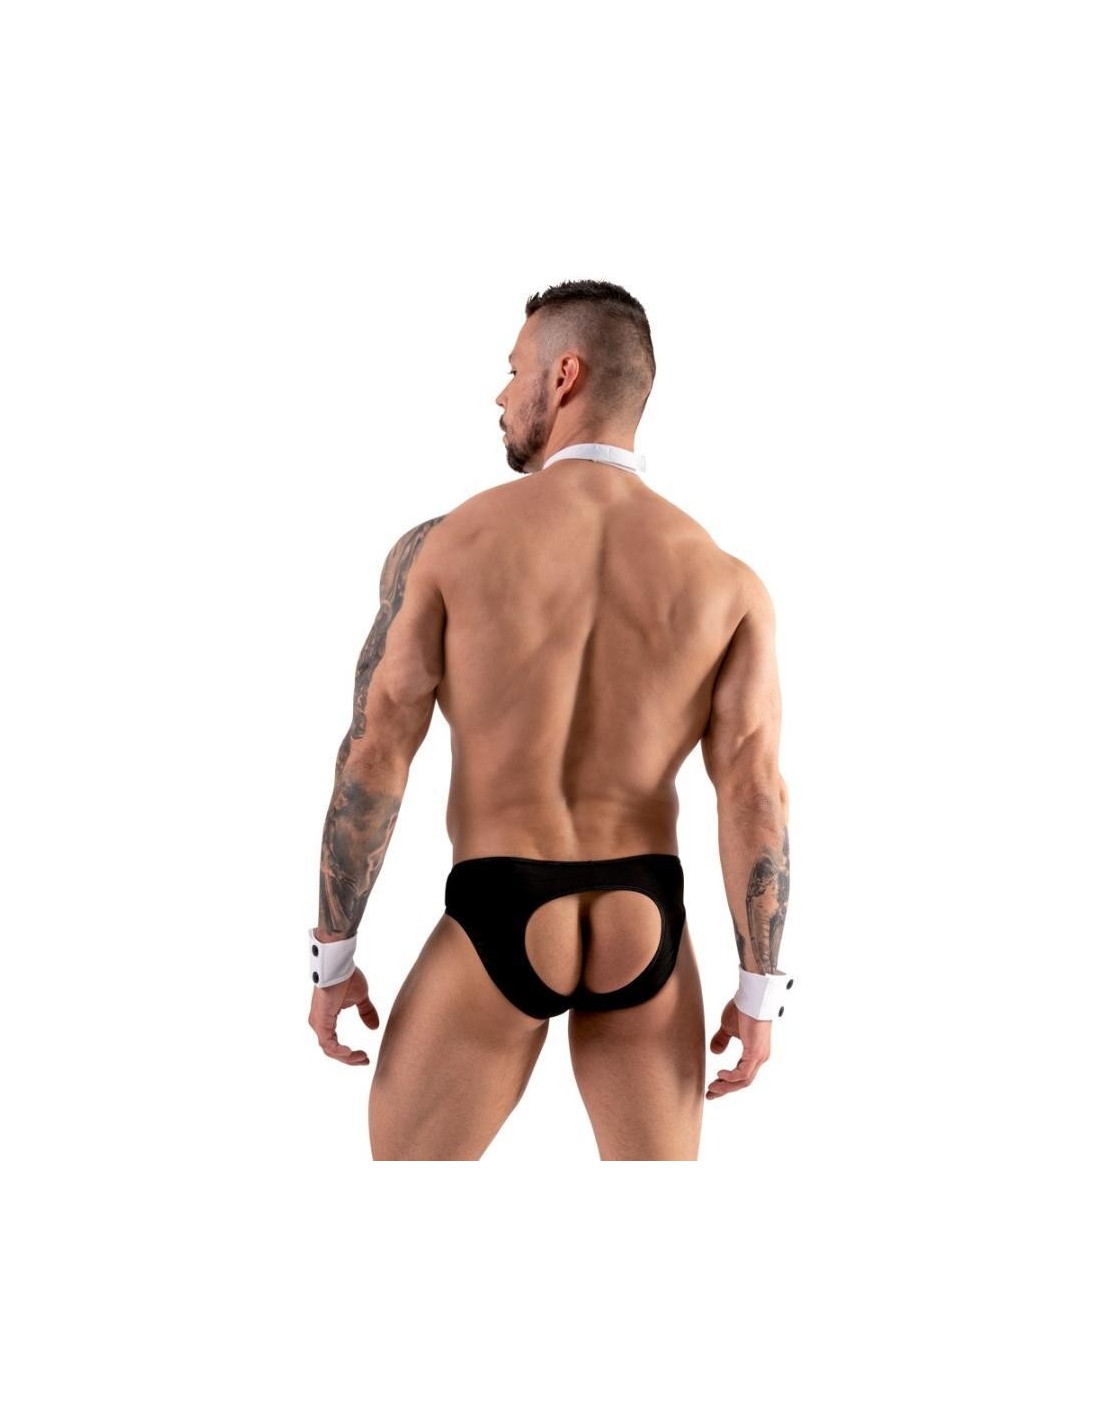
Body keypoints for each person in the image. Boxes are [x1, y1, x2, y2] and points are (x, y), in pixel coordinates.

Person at [306, 278, 791, 1161]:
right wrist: (759, 993)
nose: (501, 394)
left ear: (565, 376)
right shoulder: (726, 581)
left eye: (513, 369)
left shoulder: (445, 547)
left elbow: (375, 755)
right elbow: (754, 794)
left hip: (499, 901)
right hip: (647, 916)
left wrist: (333, 958)